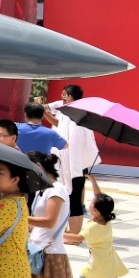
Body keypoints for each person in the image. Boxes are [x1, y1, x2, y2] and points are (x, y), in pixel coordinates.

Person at [26, 151, 79, 278]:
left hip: (50, 255)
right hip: (37, 251)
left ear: (39, 167)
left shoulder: (56, 190)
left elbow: (49, 221)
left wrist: (20, 217)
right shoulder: (42, 190)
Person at [64, 194, 129, 278]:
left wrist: (58, 233)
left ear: (96, 211)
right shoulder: (107, 220)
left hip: (97, 264)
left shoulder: (93, 227)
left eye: (92, 203)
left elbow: (77, 238)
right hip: (110, 263)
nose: (89, 204)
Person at [50, 85, 100, 236]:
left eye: (63, 95)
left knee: (71, 199)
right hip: (79, 163)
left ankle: (73, 233)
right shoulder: (82, 112)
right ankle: (74, 232)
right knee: (76, 199)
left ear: (67, 95)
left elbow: (64, 134)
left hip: (71, 165)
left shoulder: (71, 114)